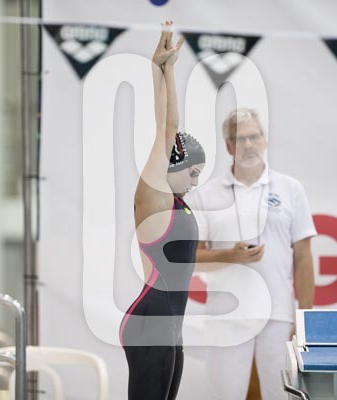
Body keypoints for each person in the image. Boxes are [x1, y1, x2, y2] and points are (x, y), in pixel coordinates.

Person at [186, 108, 316, 400]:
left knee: (282, 395)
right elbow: (191, 259)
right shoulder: (207, 195)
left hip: (278, 314)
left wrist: (305, 319)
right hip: (226, 315)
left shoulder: (290, 189)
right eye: (240, 139)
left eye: (254, 136)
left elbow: (304, 257)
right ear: (228, 145)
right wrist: (231, 256)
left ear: (264, 140)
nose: (249, 144)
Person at [119, 21, 206, 400]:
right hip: (151, 324)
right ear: (172, 167)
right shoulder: (153, 197)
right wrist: (162, 69)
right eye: (193, 173)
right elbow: (167, 126)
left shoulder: (177, 203)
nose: (196, 182)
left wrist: (167, 69)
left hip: (170, 326)